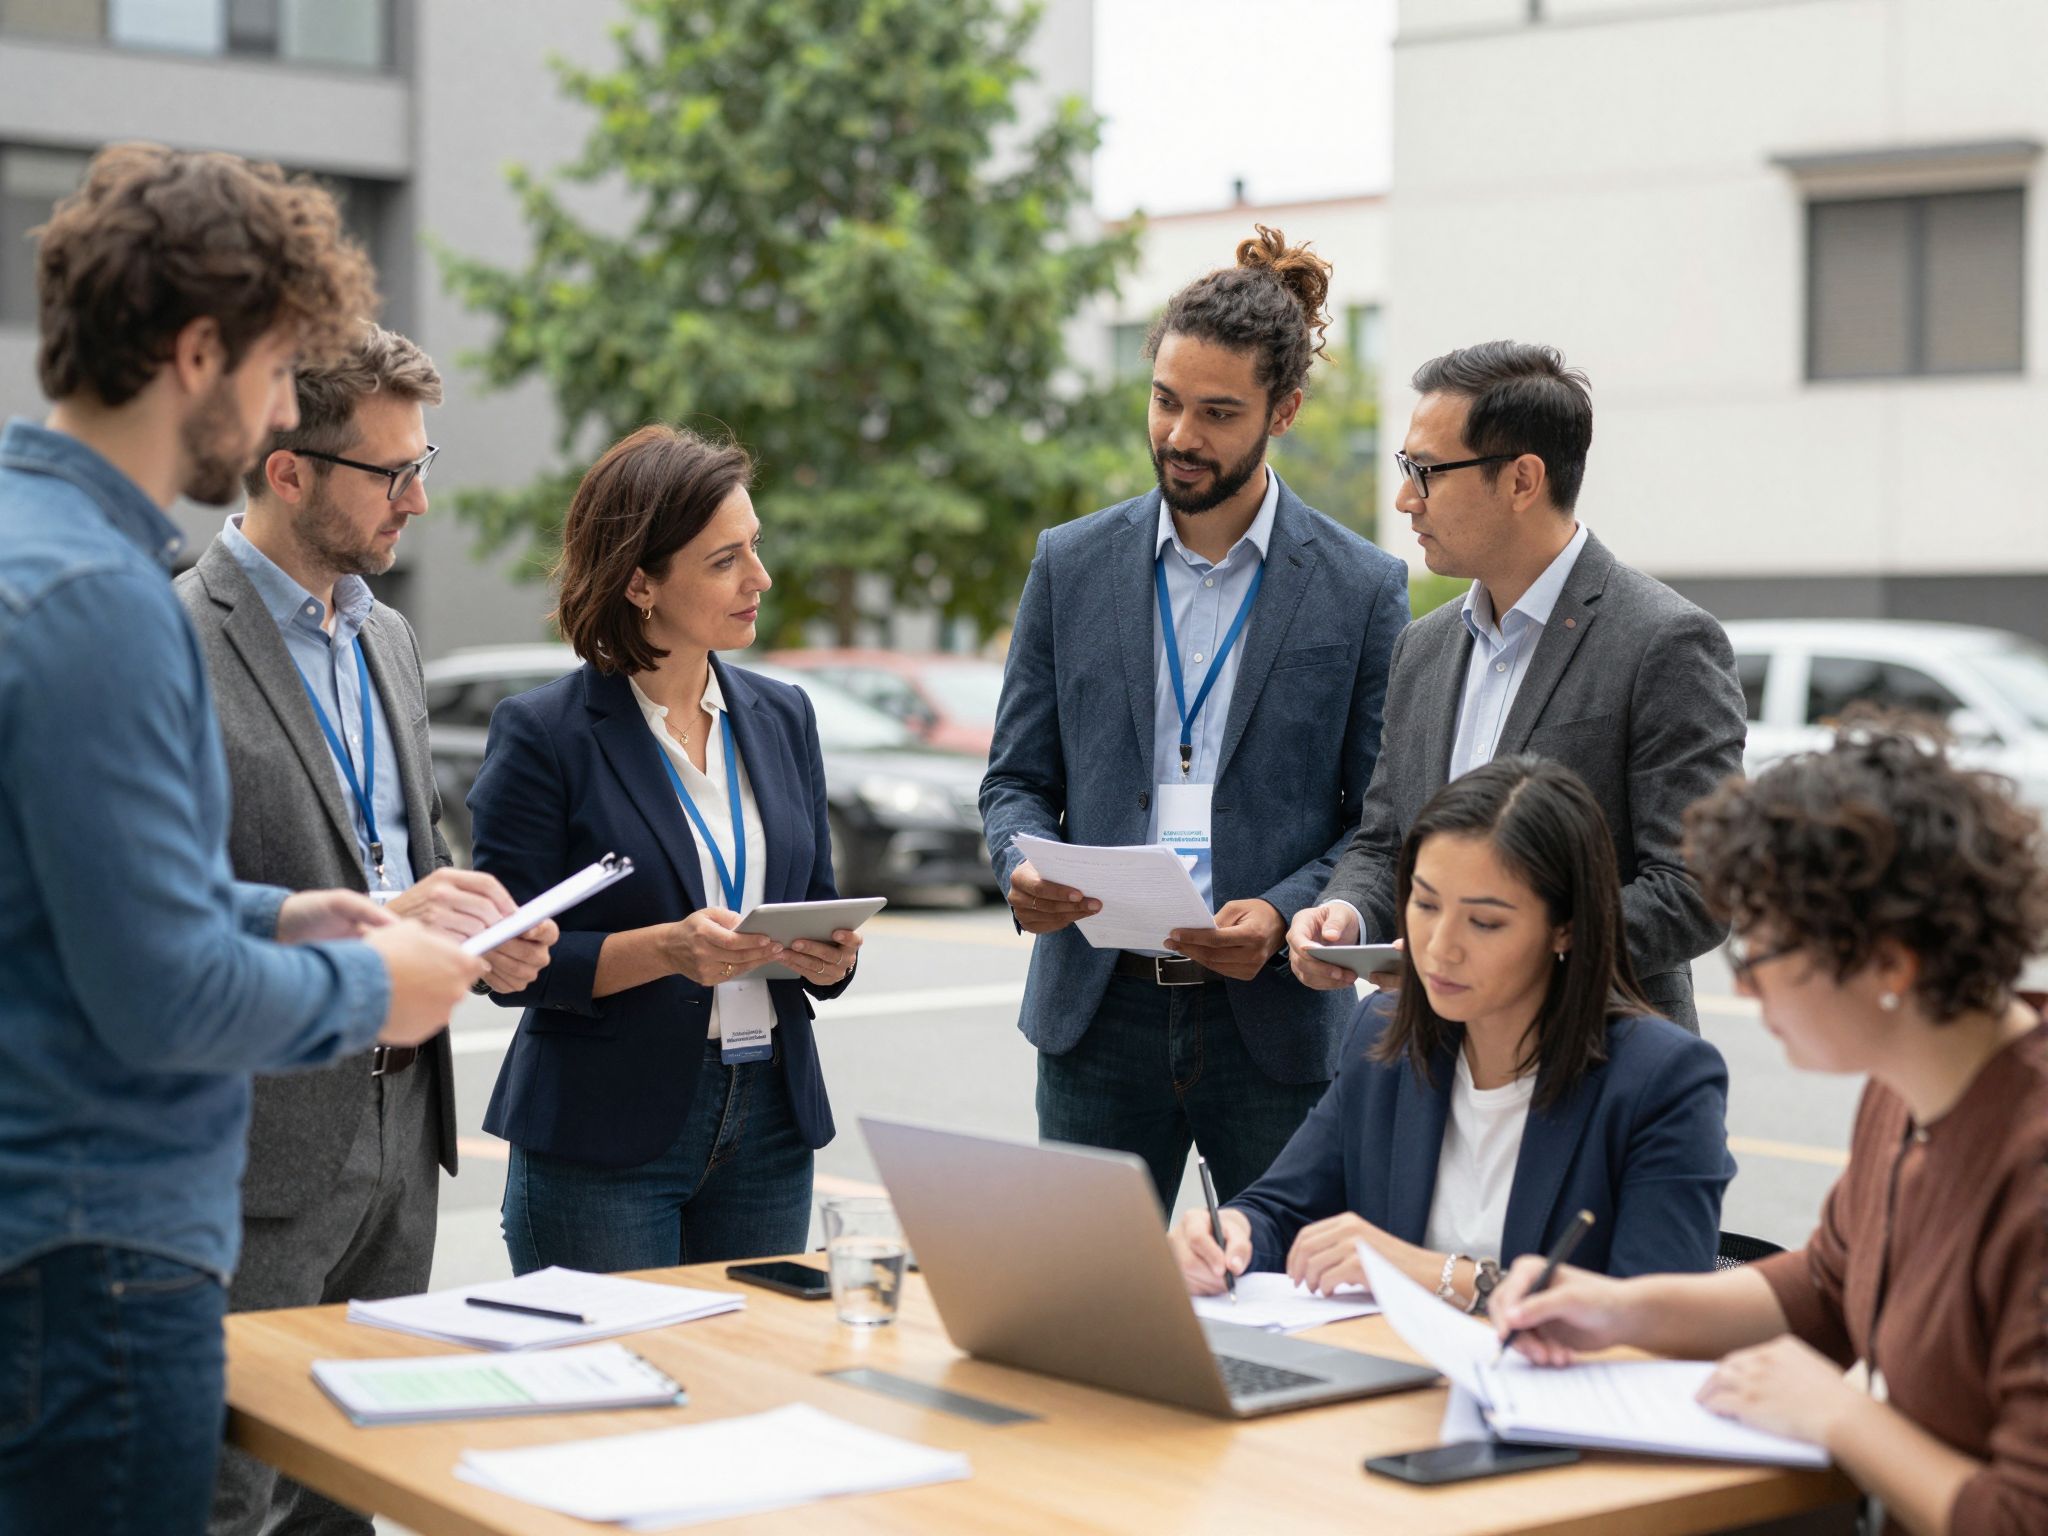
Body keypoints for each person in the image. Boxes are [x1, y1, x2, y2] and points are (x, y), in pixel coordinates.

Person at [0, 144, 483, 1536]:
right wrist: (379, 986)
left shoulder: (32, 544)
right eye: (278, 368)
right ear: (200, 352)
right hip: (103, 1263)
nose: (281, 406)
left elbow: (67, 893)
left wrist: (280, 917)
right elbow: (161, 997)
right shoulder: (107, 598)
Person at [175, 323, 559, 1536]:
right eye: (391, 476)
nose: (420, 499)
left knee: (355, 1487)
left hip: (406, 1133)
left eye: (421, 463)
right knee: (226, 1497)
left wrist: (479, 931)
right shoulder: (167, 639)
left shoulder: (386, 636)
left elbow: (410, 857)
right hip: (258, 1146)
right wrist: (376, 921)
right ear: (287, 471)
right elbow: (157, 906)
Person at [1491, 720, 2048, 1536]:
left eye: (1760, 955)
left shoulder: (2027, 1167)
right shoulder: (1906, 1091)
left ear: (1890, 965)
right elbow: (1826, 1285)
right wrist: (1619, 1309)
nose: (1745, 992)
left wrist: (1839, 1416)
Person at [980, 227, 1411, 1208]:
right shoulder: (1069, 565)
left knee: (1289, 1311)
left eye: (1217, 413)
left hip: (1272, 1029)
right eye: (1165, 401)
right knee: (1083, 1309)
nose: (1179, 434)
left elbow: (1379, 823)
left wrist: (1283, 911)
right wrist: (1019, 861)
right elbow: (1014, 781)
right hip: (1095, 1020)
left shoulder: (1359, 588)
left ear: (1284, 410)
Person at [470, 424, 862, 1272]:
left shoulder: (784, 714)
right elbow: (499, 960)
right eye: (725, 561)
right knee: (615, 1393)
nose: (760, 578)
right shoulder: (544, 735)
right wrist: (666, 952)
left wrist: (829, 959)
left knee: (742, 1388)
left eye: (754, 548)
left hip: (769, 1120)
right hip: (604, 1132)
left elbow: (816, 901)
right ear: (640, 582)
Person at [1287, 341, 1745, 1032]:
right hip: (1435, 1058)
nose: (1405, 499)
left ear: (1522, 481)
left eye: (1426, 471)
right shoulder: (1423, 646)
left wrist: (1513, 950)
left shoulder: (1665, 641)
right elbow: (1386, 845)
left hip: (1599, 1065)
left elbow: (1697, 888)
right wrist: (1345, 916)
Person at [1169, 756, 1733, 1310]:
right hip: (1389, 1377)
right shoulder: (1384, 1033)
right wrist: (1231, 1230)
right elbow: (1285, 1210)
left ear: (1566, 927)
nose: (1440, 946)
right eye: (1425, 904)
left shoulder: (1663, 1079)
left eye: (1484, 922)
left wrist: (1431, 1273)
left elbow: (1658, 1312)